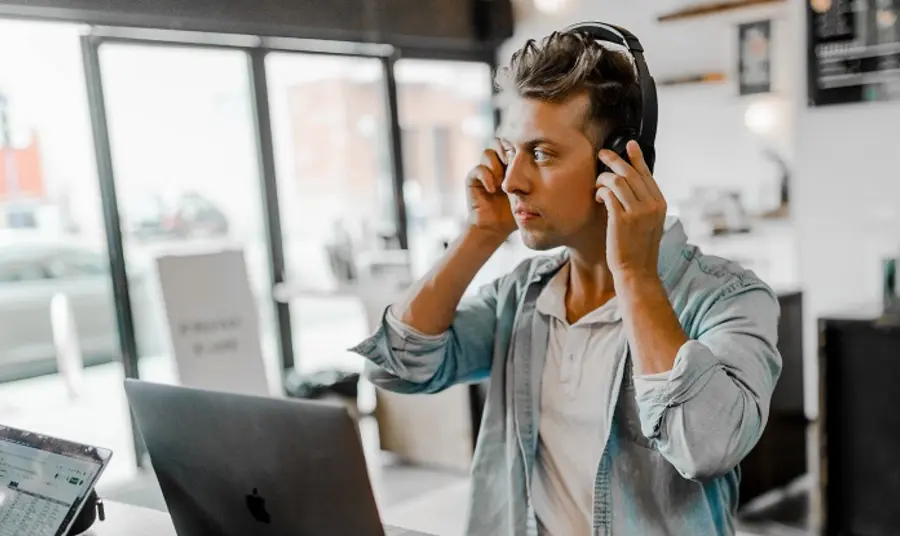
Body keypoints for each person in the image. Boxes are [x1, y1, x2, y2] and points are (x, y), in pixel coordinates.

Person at [350, 24, 781, 536]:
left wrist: (636, 276)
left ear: (618, 161)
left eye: (541, 153)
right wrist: (479, 234)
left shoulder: (728, 300)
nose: (511, 181)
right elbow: (401, 367)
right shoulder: (523, 294)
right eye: (510, 152)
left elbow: (706, 447)